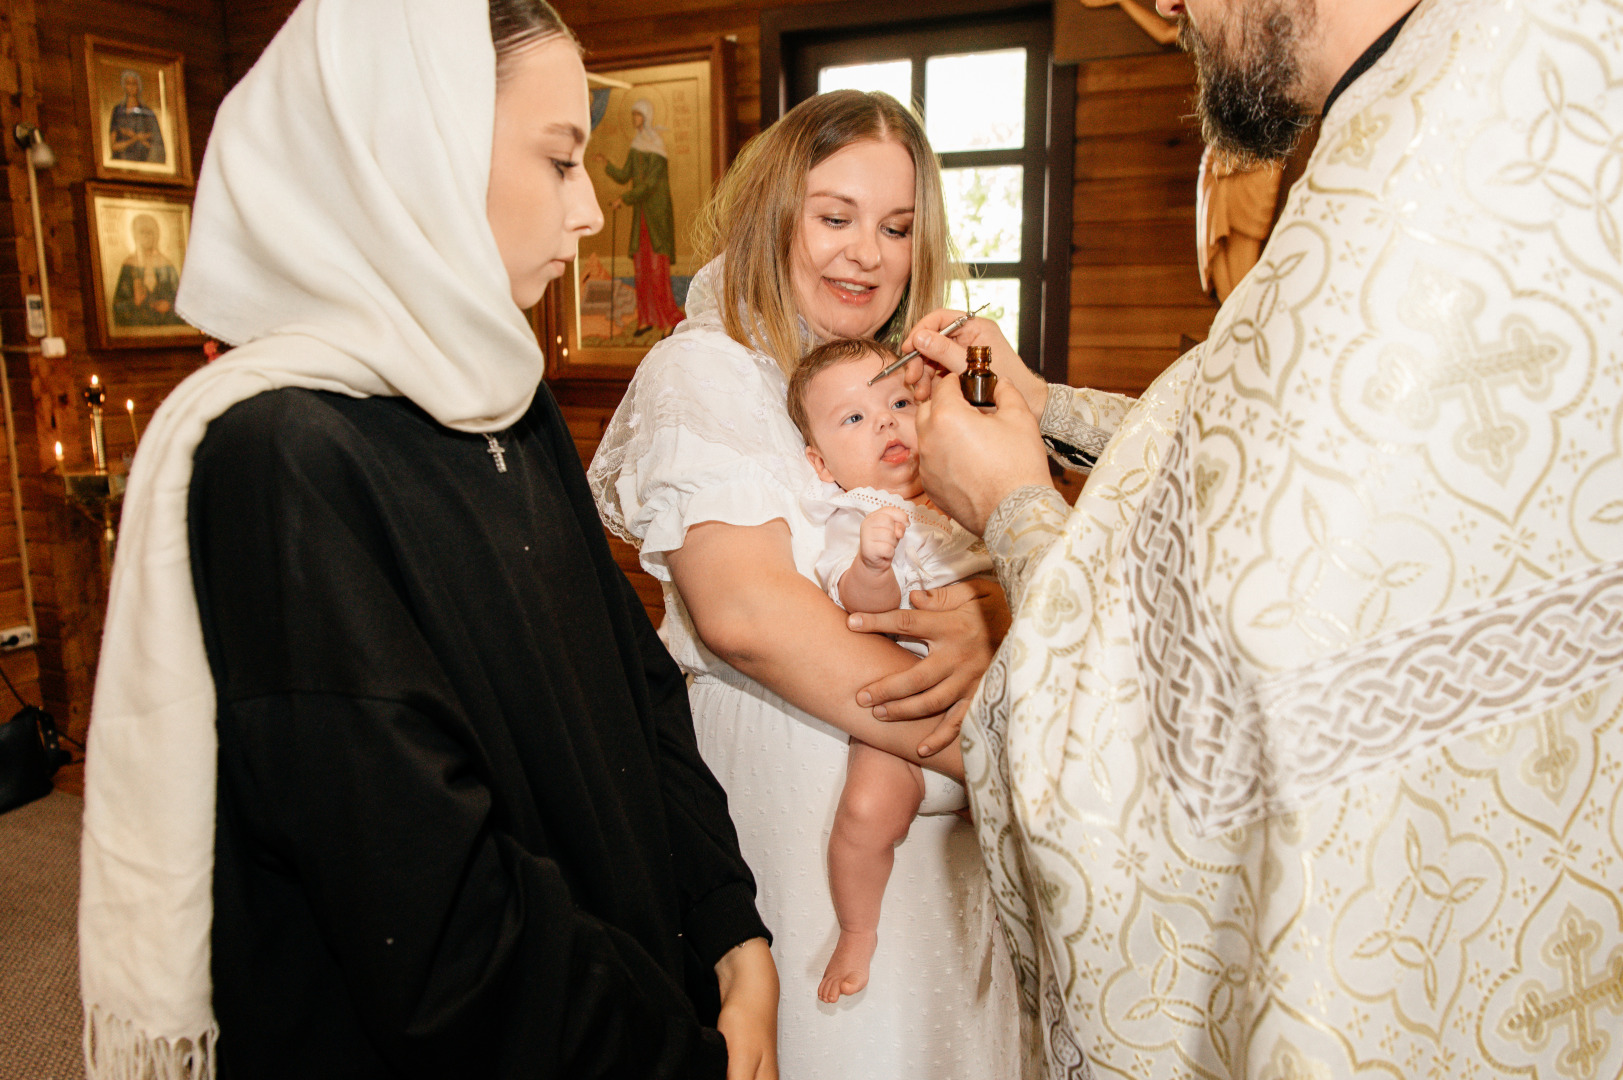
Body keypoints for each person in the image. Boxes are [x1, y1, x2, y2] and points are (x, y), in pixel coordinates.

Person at [887, 0, 1623, 1076]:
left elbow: (1154, 735)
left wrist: (1009, 502)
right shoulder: (1517, 84)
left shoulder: (1407, 188)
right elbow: (1265, 455)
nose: (1168, 10)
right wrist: (1042, 409)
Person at [77, 2, 778, 1079]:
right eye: (557, 160)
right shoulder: (283, 457)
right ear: (413, 156)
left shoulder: (508, 401)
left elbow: (638, 693)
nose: (589, 209)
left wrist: (729, 927)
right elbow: (432, 917)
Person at [590, 91, 1029, 1078]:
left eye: (896, 227)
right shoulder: (705, 373)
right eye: (835, 217)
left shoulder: (910, 390)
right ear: (776, 212)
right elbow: (749, 617)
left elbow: (986, 558)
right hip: (787, 818)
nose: (865, 254)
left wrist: (974, 622)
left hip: (936, 850)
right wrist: (998, 752)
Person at [784, 338, 991, 1004]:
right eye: (853, 418)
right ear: (820, 465)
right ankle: (857, 929)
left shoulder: (961, 496)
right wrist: (873, 566)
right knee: (866, 812)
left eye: (898, 402)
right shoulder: (858, 517)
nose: (884, 423)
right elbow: (858, 610)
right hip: (902, 725)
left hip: (988, 701)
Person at [591, 98, 685, 338]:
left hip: (656, 217)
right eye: (633, 115)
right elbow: (624, 176)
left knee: (657, 269)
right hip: (641, 217)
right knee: (641, 269)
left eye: (638, 115)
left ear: (647, 117)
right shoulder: (636, 147)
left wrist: (624, 200)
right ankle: (646, 319)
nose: (635, 120)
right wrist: (607, 165)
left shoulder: (657, 148)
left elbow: (651, 184)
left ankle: (670, 319)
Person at [111, 213, 184, 327]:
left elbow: (182, 302)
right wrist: (134, 302)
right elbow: (118, 306)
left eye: (150, 232)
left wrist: (169, 306)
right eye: (142, 232)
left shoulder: (167, 266)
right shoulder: (129, 266)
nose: (146, 236)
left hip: (165, 326)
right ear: (135, 235)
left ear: (156, 235)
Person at [108, 69, 166, 163]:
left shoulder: (147, 113)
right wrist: (135, 138)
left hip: (144, 161)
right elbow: (113, 146)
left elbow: (157, 144)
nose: (131, 87)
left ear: (139, 86)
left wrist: (141, 139)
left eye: (134, 83)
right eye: (128, 83)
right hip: (122, 162)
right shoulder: (118, 111)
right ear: (124, 86)